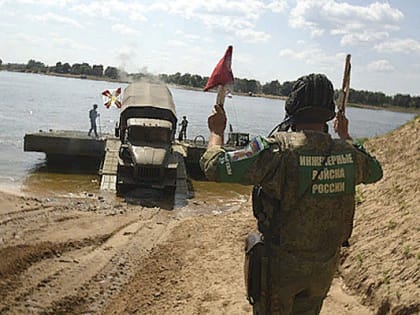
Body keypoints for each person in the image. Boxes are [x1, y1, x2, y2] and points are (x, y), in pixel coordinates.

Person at [200, 74, 382, 314]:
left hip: (280, 268)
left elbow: (215, 167)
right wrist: (345, 136)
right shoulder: (349, 154)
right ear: (329, 112)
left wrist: (216, 132)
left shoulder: (277, 150)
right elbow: (375, 171)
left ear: (292, 106)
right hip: (323, 267)